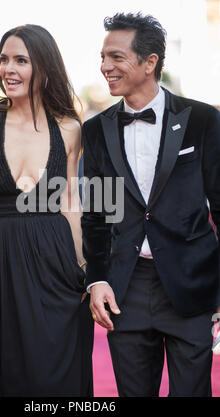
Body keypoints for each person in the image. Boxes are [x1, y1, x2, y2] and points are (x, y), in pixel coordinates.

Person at [0, 24, 93, 397]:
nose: (8, 68)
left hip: (52, 262)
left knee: (50, 369)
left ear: (44, 68)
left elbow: (70, 204)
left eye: (21, 60)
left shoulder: (69, 129)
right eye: (3, 59)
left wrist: (84, 269)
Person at [81, 12, 220, 397]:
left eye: (116, 57)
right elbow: (94, 214)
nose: (105, 66)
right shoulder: (96, 130)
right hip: (126, 288)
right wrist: (97, 278)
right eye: (103, 56)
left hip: (192, 284)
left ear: (150, 62)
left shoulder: (204, 120)